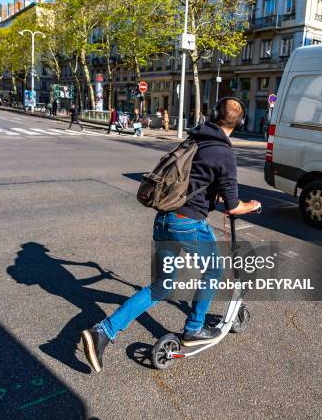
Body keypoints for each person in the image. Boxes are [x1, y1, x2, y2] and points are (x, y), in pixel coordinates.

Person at [81, 97, 261, 373]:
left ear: (213, 115)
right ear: (241, 123)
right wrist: (252, 205)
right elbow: (233, 206)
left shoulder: (193, 140)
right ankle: (194, 328)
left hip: (164, 220)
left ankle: (102, 333)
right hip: (188, 225)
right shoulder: (224, 153)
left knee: (160, 287)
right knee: (214, 271)